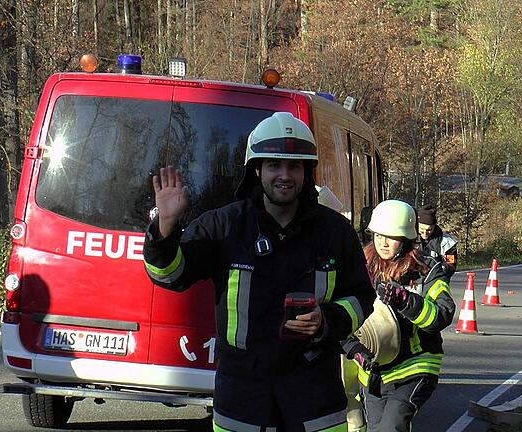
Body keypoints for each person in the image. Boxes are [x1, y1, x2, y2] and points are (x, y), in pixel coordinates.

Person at [142, 112, 375, 431]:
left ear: (307, 172)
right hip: (243, 401)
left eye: (295, 166)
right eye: (274, 165)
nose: (285, 175)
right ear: (256, 170)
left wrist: (327, 319)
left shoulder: (336, 232)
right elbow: (169, 275)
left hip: (315, 399)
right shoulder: (224, 225)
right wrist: (165, 229)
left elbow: (362, 297)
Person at [343, 200, 456, 432]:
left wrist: (405, 300)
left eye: (391, 237)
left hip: (414, 368)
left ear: (405, 239)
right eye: (378, 235)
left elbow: (441, 315)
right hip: (375, 373)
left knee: (391, 427)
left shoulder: (427, 270)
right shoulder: (360, 267)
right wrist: (353, 348)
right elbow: (342, 317)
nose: (383, 243)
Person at [416, 205, 458, 280]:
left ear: (434, 226)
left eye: (429, 230)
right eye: (421, 229)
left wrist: (439, 271)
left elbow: (451, 264)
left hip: (437, 282)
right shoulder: (410, 239)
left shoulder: (447, 244)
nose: (425, 233)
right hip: (414, 284)